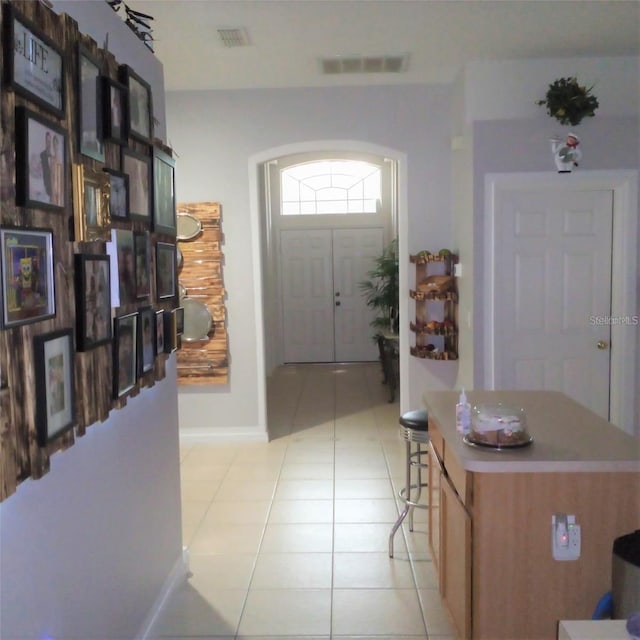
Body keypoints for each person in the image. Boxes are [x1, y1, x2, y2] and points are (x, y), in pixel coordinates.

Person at [40, 132, 52, 201]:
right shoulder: (42, 155)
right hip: (44, 186)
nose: (49, 143)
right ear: (45, 142)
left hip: (51, 186)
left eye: (50, 141)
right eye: (47, 141)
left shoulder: (53, 157)